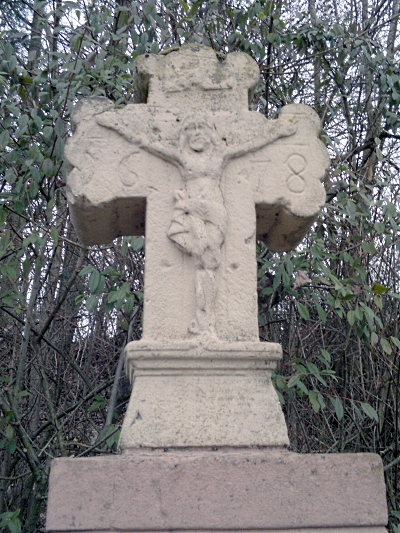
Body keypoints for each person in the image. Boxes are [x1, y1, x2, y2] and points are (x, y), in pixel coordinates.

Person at [96, 110, 296, 335]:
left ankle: (206, 319)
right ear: (184, 135)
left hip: (214, 212)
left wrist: (278, 132)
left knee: (210, 261)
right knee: (202, 259)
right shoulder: (183, 158)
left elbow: (250, 145)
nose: (197, 133)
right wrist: (116, 125)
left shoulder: (219, 156)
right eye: (191, 129)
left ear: (211, 134)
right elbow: (148, 142)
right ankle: (203, 320)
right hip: (191, 211)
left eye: (202, 128)